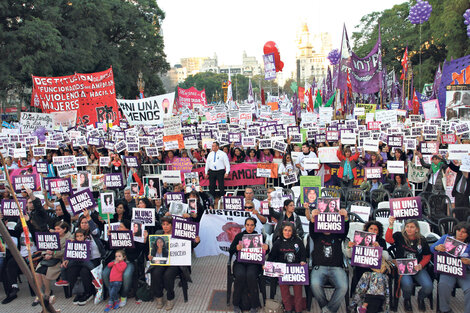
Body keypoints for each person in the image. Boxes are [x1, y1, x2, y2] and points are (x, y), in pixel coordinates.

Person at [148, 216, 200, 311]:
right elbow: (152, 250)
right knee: (155, 273)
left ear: (172, 225)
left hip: (175, 263)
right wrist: (150, 255)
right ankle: (159, 296)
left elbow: (190, 245)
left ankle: (170, 297)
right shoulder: (158, 234)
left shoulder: (179, 234)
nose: (165, 226)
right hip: (162, 262)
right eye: (163, 224)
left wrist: (196, 242)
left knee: (168, 275)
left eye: (168, 224)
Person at [386, 217, 432, 312]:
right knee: (407, 285)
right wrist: (391, 225)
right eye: (407, 226)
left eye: (412, 227)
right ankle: (407, 300)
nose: (409, 229)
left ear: (417, 229)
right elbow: (388, 239)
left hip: (417, 268)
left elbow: (427, 255)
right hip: (403, 268)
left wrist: (421, 265)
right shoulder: (399, 236)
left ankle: (420, 297)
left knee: (428, 286)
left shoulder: (422, 240)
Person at [310, 208, 350, 313]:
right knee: (314, 285)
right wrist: (313, 218)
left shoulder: (338, 235)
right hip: (319, 267)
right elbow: (311, 228)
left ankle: (327, 310)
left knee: (343, 286)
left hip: (336, 268)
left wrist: (345, 218)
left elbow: (345, 229)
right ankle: (327, 308)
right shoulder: (316, 235)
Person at [229, 217, 268, 313]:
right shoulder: (239, 236)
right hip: (240, 262)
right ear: (245, 225)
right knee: (240, 276)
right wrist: (236, 248)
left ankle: (254, 305)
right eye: (247, 225)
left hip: (254, 263)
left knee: (251, 276)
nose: (249, 227)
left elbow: (265, 252)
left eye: (252, 225)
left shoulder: (259, 236)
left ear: (254, 226)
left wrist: (267, 248)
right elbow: (231, 250)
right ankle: (236, 304)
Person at [267, 222, 307, 313]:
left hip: (296, 270)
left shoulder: (298, 241)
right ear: (282, 231)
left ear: (293, 232)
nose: (287, 232)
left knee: (298, 291)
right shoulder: (278, 242)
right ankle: (288, 309)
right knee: (284, 291)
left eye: (289, 231)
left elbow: (303, 254)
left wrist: (303, 261)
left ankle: (298, 309)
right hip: (283, 270)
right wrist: (266, 265)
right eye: (285, 230)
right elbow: (272, 256)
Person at [431, 222, 470, 313]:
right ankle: (445, 310)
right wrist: (437, 248)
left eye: (464, 232)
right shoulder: (446, 238)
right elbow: (431, 248)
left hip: (464, 271)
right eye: (458, 230)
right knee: (443, 285)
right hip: (448, 270)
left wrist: (469, 262)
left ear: (468, 234)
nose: (460, 233)